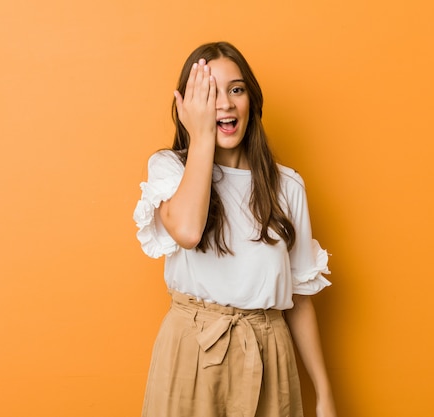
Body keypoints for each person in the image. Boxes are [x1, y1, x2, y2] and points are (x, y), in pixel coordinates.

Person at [133, 41, 337, 417]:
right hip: (191, 349)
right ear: (188, 107)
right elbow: (189, 232)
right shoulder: (169, 169)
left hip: (268, 352)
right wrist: (201, 137)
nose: (225, 103)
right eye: (209, 93)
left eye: (236, 90)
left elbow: (299, 297)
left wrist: (324, 394)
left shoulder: (287, 186)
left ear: (252, 101)